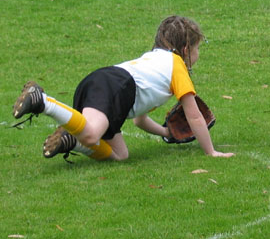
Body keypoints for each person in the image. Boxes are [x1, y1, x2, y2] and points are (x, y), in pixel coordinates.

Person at [12, 15, 235, 161]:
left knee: (120, 154)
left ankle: (71, 141)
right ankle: (42, 101)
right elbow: (194, 116)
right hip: (117, 86)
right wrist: (211, 151)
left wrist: (167, 132)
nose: (197, 54)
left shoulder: (155, 60)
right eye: (197, 48)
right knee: (92, 134)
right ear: (186, 49)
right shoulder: (177, 66)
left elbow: (139, 120)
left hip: (106, 81)